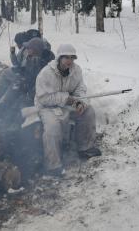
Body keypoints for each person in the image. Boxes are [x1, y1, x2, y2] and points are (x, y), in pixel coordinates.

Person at [35, 44, 101, 175]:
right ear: (59, 58)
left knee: (88, 112)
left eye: (72, 58)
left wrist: (80, 102)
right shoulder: (45, 73)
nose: (69, 61)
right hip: (48, 106)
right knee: (52, 127)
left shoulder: (76, 70)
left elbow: (81, 89)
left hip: (68, 103)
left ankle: (85, 147)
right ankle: (53, 164)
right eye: (66, 57)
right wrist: (66, 99)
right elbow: (43, 98)